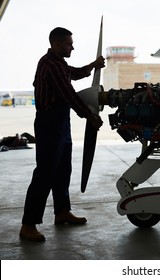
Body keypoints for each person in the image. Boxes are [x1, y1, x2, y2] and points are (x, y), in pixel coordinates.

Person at [20, 27, 105, 242]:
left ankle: (62, 211)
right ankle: (28, 224)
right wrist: (90, 116)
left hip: (60, 123)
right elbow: (69, 94)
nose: (72, 47)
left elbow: (72, 73)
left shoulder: (58, 63)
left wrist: (92, 66)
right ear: (56, 44)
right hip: (50, 124)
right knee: (45, 173)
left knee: (63, 169)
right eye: (68, 44)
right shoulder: (51, 65)